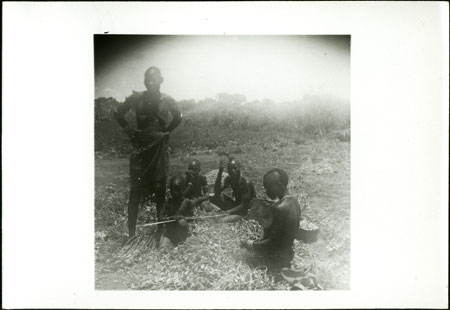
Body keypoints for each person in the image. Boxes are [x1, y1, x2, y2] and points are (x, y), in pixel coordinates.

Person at [114, 66, 182, 238]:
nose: (151, 83)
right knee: (135, 191)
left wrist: (166, 131)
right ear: (145, 82)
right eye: (148, 80)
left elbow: (179, 117)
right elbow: (117, 112)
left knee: (160, 189)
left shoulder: (167, 100)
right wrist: (128, 130)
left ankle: (160, 233)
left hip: (158, 148)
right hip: (141, 149)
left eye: (154, 80)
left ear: (161, 81)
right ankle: (132, 235)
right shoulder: (137, 98)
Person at [240, 168, 301, 271]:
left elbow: (271, 244)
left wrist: (249, 243)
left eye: (268, 186)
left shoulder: (281, 208)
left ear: (279, 185)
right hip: (288, 254)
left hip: (277, 260)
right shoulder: (294, 201)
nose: (266, 190)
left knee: (242, 255)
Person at [210, 157, 256, 222]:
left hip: (246, 211)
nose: (233, 171)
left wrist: (228, 212)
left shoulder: (245, 182)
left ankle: (231, 215)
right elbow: (217, 191)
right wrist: (220, 172)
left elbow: (244, 205)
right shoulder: (230, 178)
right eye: (230, 169)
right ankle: (228, 213)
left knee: (220, 221)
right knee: (217, 196)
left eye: (235, 168)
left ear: (239, 168)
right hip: (237, 206)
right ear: (228, 170)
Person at [158, 174, 194, 248]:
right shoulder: (168, 202)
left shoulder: (187, 202)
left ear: (183, 189)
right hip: (170, 233)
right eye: (173, 190)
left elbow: (191, 218)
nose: (175, 192)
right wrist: (172, 218)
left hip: (183, 232)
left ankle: (183, 241)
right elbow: (160, 218)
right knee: (163, 249)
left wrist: (184, 218)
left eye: (178, 190)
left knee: (190, 247)